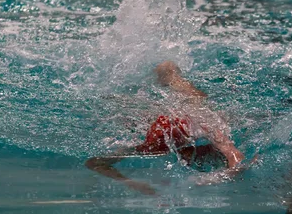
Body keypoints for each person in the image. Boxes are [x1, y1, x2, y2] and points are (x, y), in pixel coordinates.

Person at [85, 61, 246, 195]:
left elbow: (237, 158)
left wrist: (212, 179)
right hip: (175, 119)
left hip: (194, 111)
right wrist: (134, 184)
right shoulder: (148, 145)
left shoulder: (204, 123)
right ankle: (165, 67)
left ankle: (166, 67)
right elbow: (94, 163)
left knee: (185, 90)